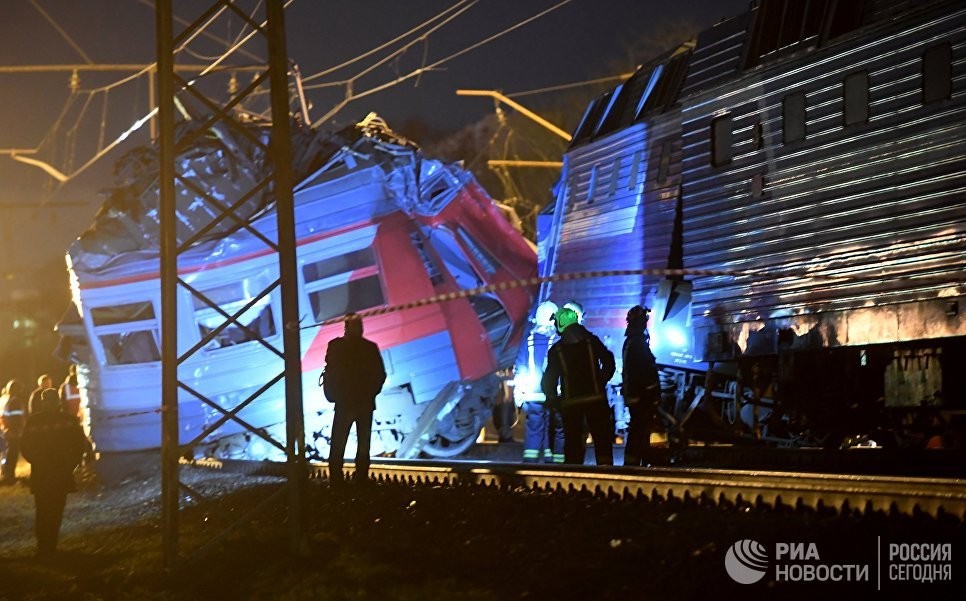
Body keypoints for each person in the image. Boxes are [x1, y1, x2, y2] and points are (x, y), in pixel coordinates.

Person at [541, 307, 616, 465]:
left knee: (573, 443)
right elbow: (609, 361)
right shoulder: (591, 341)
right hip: (596, 400)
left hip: (571, 404)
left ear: (561, 324)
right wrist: (601, 381)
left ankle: (574, 474)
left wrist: (553, 400)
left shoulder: (557, 350)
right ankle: (607, 472)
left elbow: (549, 380)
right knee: (602, 440)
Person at [21, 388, 88, 558]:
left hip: (55, 472)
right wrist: (38, 461)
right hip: (47, 473)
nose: (50, 403)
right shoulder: (36, 422)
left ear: (57, 401)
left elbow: (79, 445)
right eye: (47, 400)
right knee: (44, 509)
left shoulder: (66, 420)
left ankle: (49, 545)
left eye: (52, 400)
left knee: (55, 509)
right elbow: (25, 446)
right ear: (43, 402)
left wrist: (70, 464)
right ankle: (44, 545)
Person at [323, 313, 387, 485]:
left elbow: (331, 370)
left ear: (345, 327)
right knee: (363, 443)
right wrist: (371, 393)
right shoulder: (370, 347)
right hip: (365, 402)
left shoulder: (336, 346)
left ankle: (336, 480)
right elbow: (380, 374)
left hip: (344, 402)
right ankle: (361, 477)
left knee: (338, 442)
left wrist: (338, 393)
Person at [516, 301, 564, 463]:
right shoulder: (558, 340)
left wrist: (519, 390)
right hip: (554, 394)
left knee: (534, 427)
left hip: (532, 394)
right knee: (553, 427)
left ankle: (530, 462)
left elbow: (521, 366)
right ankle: (553, 462)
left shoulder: (528, 340)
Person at [622, 305, 662, 466]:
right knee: (639, 430)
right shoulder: (636, 343)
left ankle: (640, 462)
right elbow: (642, 372)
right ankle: (633, 464)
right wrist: (653, 393)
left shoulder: (634, 342)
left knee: (641, 430)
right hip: (640, 397)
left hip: (638, 395)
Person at [1, 379, 29, 483]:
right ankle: (10, 476)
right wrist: (18, 430)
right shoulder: (15, 401)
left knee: (7, 453)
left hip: (5, 430)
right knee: (12, 454)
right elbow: (17, 418)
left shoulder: (4, 399)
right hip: (13, 431)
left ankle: (6, 474)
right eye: (19, 389)